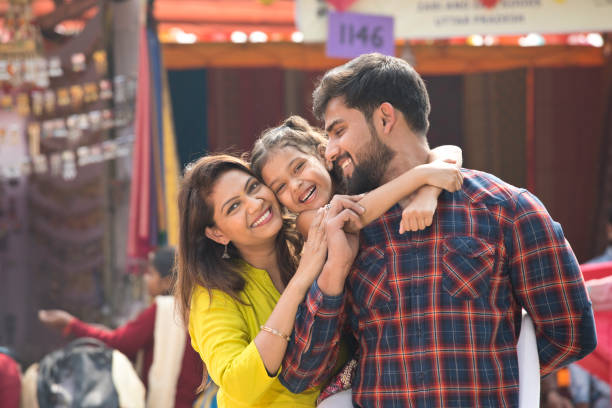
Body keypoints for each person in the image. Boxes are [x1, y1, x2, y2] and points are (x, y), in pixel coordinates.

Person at [279, 53, 597, 407]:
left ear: (385, 118)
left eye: (339, 130)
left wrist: (498, 375)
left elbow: (570, 332)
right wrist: (334, 270)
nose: (331, 150)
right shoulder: (344, 228)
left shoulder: (507, 211)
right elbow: (302, 373)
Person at [174, 154, 348, 407]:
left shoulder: (306, 243)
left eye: (253, 187)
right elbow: (238, 384)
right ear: (217, 233)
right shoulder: (213, 295)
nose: (255, 204)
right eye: (233, 207)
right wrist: (300, 281)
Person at [39, 246, 203, 408]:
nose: (146, 278)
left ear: (166, 282)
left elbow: (122, 342)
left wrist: (71, 325)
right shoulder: (195, 309)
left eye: (151, 273)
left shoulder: (163, 310)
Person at [250, 115, 464, 238]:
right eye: (281, 187)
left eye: (298, 167)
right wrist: (421, 175)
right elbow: (352, 218)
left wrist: (429, 192)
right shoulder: (307, 221)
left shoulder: (358, 175)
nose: (295, 185)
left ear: (323, 155)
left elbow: (449, 151)